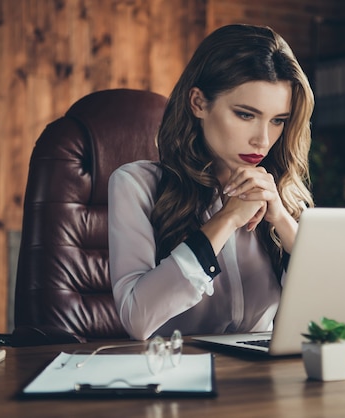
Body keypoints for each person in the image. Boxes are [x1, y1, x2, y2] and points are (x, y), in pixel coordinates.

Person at [108, 23, 315, 341]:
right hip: (173, 377)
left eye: (278, 121)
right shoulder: (135, 185)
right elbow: (137, 318)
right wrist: (227, 219)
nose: (263, 139)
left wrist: (283, 222)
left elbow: (330, 315)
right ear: (198, 103)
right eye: (246, 114)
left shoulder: (285, 194)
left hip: (263, 380)